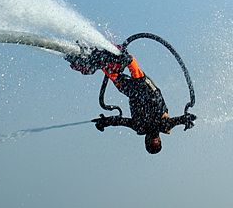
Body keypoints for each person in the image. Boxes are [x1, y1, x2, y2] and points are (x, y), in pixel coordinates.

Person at [65, 45, 194, 153]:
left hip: (133, 94)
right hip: (150, 93)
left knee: (113, 76)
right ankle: (127, 59)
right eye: (156, 142)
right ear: (159, 140)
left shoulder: (139, 127)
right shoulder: (164, 126)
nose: (152, 140)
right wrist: (186, 119)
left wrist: (105, 122)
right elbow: (176, 121)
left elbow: (120, 121)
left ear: (146, 142)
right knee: (136, 73)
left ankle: (94, 60)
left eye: (150, 143)